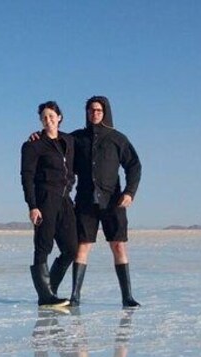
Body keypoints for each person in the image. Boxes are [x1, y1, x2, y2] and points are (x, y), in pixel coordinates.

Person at [69, 96, 142, 307]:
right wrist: (38, 136)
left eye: (99, 110)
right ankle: (75, 296)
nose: (95, 114)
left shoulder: (117, 139)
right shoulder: (76, 138)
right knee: (82, 246)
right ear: (87, 113)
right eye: (91, 110)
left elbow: (134, 166)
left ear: (105, 112)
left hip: (113, 202)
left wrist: (129, 192)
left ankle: (127, 296)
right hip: (85, 200)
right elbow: (55, 143)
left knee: (118, 245)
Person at [20, 101, 77, 308]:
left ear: (59, 118)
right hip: (45, 200)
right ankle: (45, 296)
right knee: (43, 246)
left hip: (64, 200)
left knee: (71, 248)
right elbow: (27, 177)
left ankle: (49, 288)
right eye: (44, 117)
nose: (48, 120)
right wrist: (32, 205)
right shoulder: (33, 145)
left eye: (51, 116)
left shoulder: (69, 141)